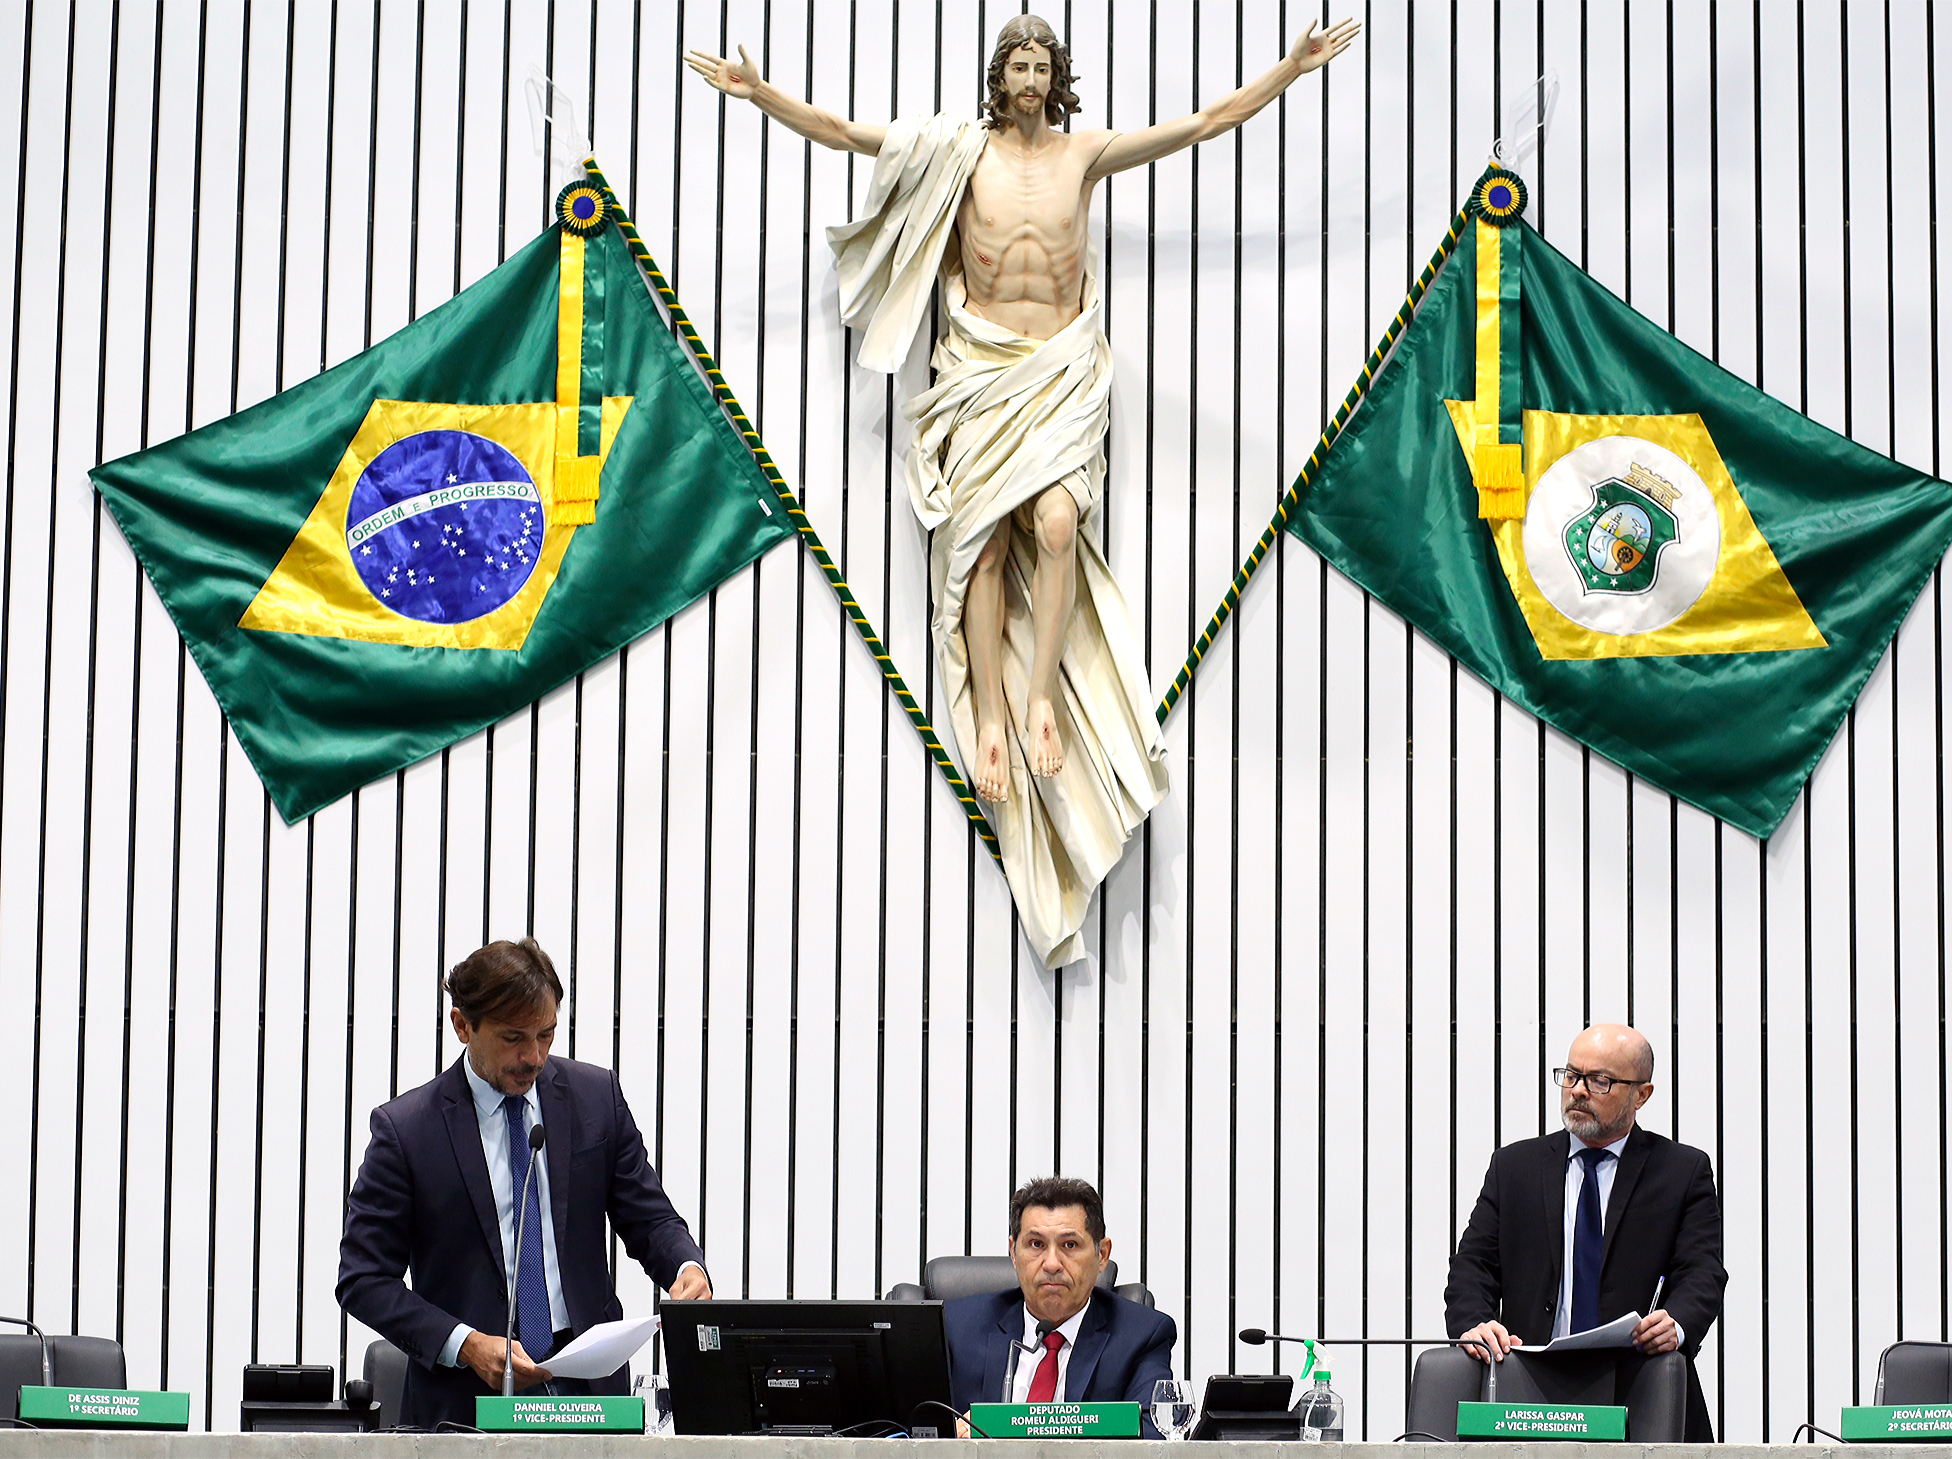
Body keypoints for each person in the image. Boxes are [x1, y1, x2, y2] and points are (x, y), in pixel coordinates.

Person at [686, 14, 1359, 969]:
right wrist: (761, 97)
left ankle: (1039, 693)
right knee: (984, 546)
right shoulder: (958, 153)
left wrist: (1288, 70)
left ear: (1059, 77)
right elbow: (845, 134)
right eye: (1017, 63)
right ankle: (994, 714)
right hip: (980, 366)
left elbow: (1207, 123)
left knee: (1057, 522)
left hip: (1060, 368)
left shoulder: (1086, 153)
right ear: (996, 79)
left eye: (1044, 62)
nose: (1031, 75)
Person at [335, 939, 710, 1429]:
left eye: (547, 1035)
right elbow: (363, 1279)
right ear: (463, 1026)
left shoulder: (595, 1100)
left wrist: (686, 1266)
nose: (533, 1057)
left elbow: (650, 1217)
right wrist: (465, 1343)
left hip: (589, 1393)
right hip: (464, 1405)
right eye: (514, 1037)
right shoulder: (407, 1131)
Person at [1444, 1023, 1727, 1441]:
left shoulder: (1681, 1171)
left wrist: (1678, 1322)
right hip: (1527, 1385)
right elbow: (1473, 1265)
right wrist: (1475, 1322)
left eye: (1600, 1081)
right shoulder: (1515, 1167)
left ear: (1641, 1095)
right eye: (1572, 1076)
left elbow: (1702, 1272)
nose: (1577, 1090)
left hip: (1641, 1386)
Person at [943, 1176, 1175, 1430]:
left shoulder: (1141, 1336)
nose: (1052, 1263)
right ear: (1013, 1252)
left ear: (1102, 1255)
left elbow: (1154, 1438)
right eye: (1036, 1244)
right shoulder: (955, 1328)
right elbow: (905, 1429)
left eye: (1069, 1245)